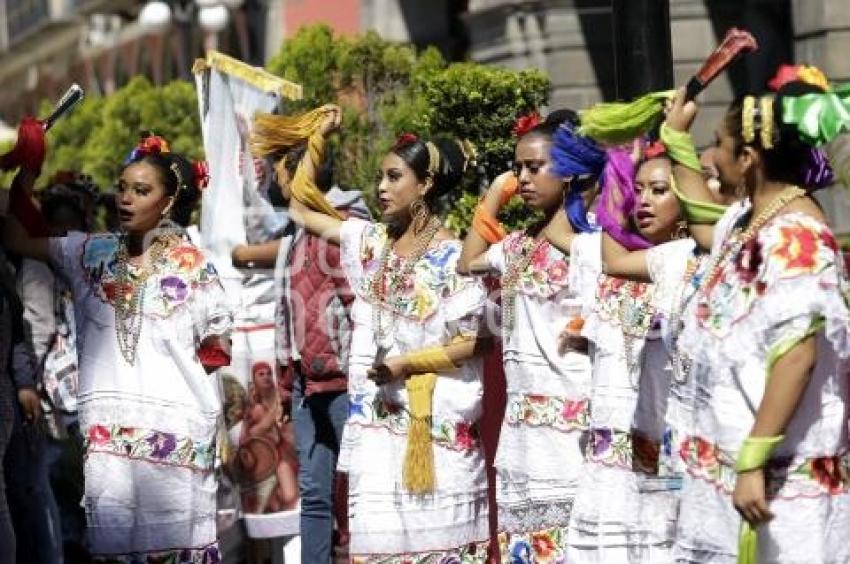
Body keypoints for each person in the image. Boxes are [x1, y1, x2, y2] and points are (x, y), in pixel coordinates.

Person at [2, 132, 234, 561]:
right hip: (111, 444)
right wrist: (28, 172)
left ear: (167, 203)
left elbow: (217, 349)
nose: (126, 199)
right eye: (123, 188)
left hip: (177, 442)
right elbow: (16, 238)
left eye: (141, 191)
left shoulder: (195, 268)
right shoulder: (89, 252)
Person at [283, 105, 491, 562]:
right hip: (377, 433)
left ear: (427, 184)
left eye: (394, 177)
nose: (380, 188)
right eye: (380, 177)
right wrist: (318, 138)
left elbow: (477, 342)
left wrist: (405, 364)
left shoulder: (455, 258)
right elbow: (299, 207)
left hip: (436, 433)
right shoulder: (369, 241)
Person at [663, 72, 850, 562]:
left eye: (719, 145)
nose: (714, 157)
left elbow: (797, 356)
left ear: (748, 158)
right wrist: (676, 138)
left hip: (777, 482)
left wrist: (753, 459)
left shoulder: (799, 237)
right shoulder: (749, 220)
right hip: (734, 468)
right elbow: (704, 221)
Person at [458, 112, 602, 562]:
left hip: (572, 422)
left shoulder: (594, 243)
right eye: (516, 168)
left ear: (570, 172)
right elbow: (468, 261)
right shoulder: (519, 245)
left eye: (533, 168)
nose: (521, 178)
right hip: (523, 430)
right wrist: (495, 192)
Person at [243, 120, 369, 562]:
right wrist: (284, 385)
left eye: (280, 172)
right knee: (315, 495)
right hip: (305, 384)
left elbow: (361, 307)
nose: (273, 181)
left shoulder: (344, 226)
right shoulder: (295, 233)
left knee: (361, 492)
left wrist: (358, 371)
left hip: (344, 383)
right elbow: (288, 314)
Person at [7, 186, 88, 563]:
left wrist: (28, 384)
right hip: (68, 389)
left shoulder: (39, 266)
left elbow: (37, 329)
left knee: (41, 484)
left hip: (52, 394)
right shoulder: (82, 259)